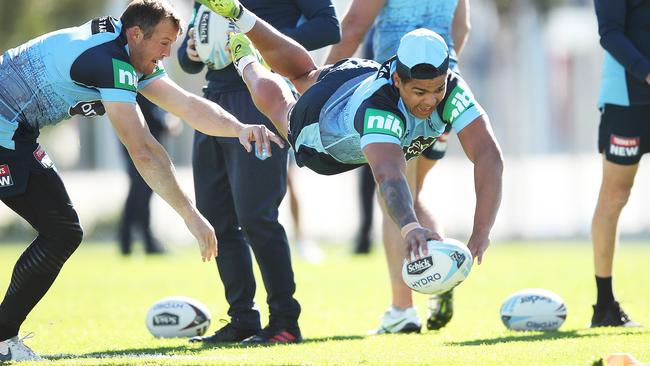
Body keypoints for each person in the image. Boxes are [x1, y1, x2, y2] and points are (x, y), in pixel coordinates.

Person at [197, 0, 502, 336]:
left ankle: (240, 15)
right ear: (398, 80)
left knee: (305, 73)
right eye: (419, 92)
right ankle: (245, 59)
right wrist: (409, 227)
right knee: (280, 106)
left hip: (354, 72)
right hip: (326, 135)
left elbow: (488, 155)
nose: (430, 100)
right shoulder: (381, 110)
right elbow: (388, 174)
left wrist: (482, 230)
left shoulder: (453, 89)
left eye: (438, 89)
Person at [0, 0, 282, 361]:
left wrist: (239, 129)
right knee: (61, 231)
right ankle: (5, 341)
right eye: (163, 44)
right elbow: (143, 149)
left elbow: (187, 105)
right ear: (136, 34)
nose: (166, 55)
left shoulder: (127, 49)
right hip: (6, 131)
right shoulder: (113, 61)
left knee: (62, 230)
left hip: (17, 133)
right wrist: (191, 215)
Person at [178, 0, 339, 344]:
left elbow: (328, 26)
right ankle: (242, 319)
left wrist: (260, 40)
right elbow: (187, 55)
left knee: (256, 216)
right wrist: (191, 50)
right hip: (211, 104)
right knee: (217, 218)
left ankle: (284, 321)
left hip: (263, 99)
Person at [325, 0, 471, 333]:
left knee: (395, 199)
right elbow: (462, 29)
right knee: (412, 196)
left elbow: (353, 27)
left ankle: (403, 309)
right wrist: (440, 83)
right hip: (444, 92)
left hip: (401, 96)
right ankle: (445, 270)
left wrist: (318, 84)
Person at [590, 0, 649, 328]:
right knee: (615, 195)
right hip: (627, 99)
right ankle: (605, 305)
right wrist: (646, 71)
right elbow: (610, 33)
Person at [118, 94, 177, 256]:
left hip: (135, 147)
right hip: (140, 150)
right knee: (139, 195)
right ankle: (132, 241)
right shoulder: (136, 86)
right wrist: (167, 124)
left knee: (140, 196)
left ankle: (139, 241)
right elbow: (149, 117)